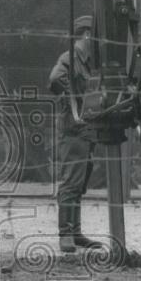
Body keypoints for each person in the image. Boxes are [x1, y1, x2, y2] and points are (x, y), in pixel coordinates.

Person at [49, 15, 105, 254]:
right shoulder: (69, 58)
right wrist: (75, 100)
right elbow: (54, 79)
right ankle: (65, 234)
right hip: (73, 130)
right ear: (87, 35)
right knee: (71, 182)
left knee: (80, 182)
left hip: (86, 130)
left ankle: (75, 231)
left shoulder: (88, 61)